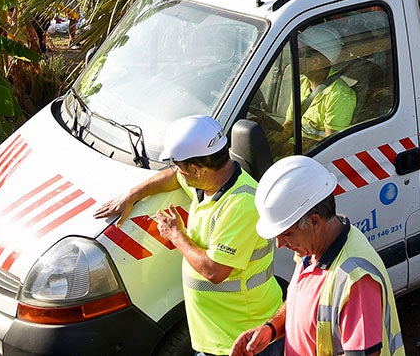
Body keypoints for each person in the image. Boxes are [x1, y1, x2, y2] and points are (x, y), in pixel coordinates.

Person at [93, 115, 283, 356]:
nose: (178, 173)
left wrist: (176, 235)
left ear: (197, 168)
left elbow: (215, 271)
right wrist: (132, 195)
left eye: (181, 168)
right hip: (219, 336)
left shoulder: (242, 204)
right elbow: (172, 177)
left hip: (244, 339)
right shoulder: (206, 182)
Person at [231, 156, 405, 356]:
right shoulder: (312, 250)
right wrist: (270, 330)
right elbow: (303, 303)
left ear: (314, 222)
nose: (279, 244)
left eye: (286, 234)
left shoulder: (355, 280)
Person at [291, 25, 356, 139]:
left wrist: (286, 148)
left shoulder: (339, 95)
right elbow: (289, 126)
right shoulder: (302, 83)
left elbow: (332, 145)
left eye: (298, 52)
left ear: (316, 61)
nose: (292, 55)